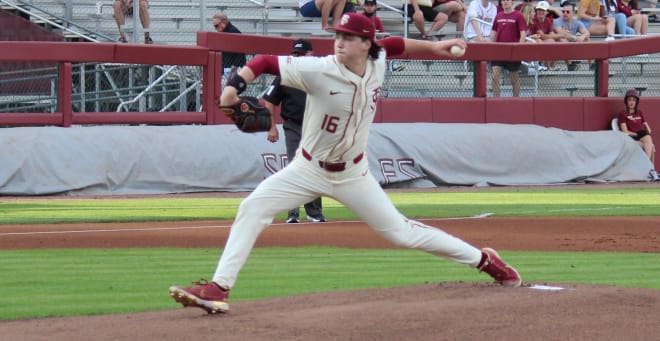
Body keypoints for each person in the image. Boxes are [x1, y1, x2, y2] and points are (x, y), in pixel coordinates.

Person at [169, 12, 522, 314]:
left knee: (401, 233)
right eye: (338, 35)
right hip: (306, 169)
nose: (340, 42)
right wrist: (232, 88)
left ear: (366, 44)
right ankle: (219, 288)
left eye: (349, 38)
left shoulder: (377, 60)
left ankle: (484, 260)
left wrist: (433, 47)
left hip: (353, 173)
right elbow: (263, 62)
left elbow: (393, 44)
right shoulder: (318, 69)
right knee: (252, 208)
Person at [262, 39, 327, 224]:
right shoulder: (286, 74)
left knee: (314, 167)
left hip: (315, 127)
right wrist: (271, 126)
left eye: (301, 54)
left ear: (310, 54)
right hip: (294, 126)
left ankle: (314, 212)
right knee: (295, 167)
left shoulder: (320, 75)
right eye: (296, 54)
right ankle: (293, 213)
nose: (297, 57)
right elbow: (269, 101)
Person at [617, 89, 659, 181]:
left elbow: (649, 130)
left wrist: (645, 127)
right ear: (626, 101)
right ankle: (650, 169)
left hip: (641, 138)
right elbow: (624, 131)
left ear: (636, 102)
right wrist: (637, 134)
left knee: (650, 143)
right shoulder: (623, 114)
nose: (631, 102)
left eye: (633, 100)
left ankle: (649, 169)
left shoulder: (639, 113)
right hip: (631, 139)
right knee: (650, 144)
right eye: (629, 100)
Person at [489, 0, 527, 97]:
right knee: (494, 76)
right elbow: (493, 32)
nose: (505, 2)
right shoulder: (498, 16)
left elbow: (523, 34)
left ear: (512, 1)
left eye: (507, 0)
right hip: (498, 52)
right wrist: (490, 47)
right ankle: (496, 100)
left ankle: (516, 100)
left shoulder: (518, 15)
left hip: (512, 52)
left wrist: (519, 48)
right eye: (503, 0)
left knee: (513, 78)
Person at [553, 1, 590, 70]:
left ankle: (592, 64)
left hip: (571, 43)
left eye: (567, 12)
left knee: (586, 39)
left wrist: (582, 37)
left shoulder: (577, 22)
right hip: (558, 45)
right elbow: (562, 34)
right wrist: (576, 38)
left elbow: (587, 32)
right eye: (563, 11)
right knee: (562, 39)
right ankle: (570, 65)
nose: (565, 13)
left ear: (573, 13)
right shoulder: (557, 21)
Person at [213, 13, 247, 87]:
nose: (216, 28)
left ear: (224, 22)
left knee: (229, 89)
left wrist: (235, 64)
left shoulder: (234, 32)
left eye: (217, 25)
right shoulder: (224, 33)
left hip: (233, 67)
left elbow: (241, 50)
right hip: (227, 67)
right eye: (214, 26)